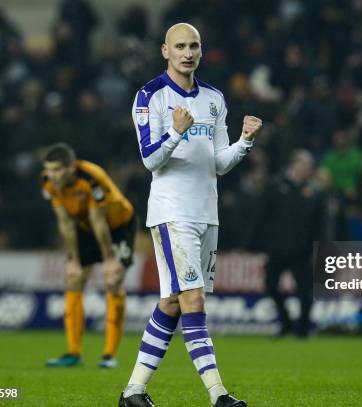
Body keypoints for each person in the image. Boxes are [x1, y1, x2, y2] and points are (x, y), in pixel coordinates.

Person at [120, 23, 261, 407]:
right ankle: (219, 395)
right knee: (193, 299)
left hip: (206, 213)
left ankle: (133, 392)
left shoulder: (214, 99)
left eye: (194, 45)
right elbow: (150, 159)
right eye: (179, 46)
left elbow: (218, 163)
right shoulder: (150, 96)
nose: (187, 52)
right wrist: (176, 132)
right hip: (171, 213)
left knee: (172, 302)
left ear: (201, 51)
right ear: (165, 51)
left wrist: (244, 143)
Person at [41, 142, 136, 368]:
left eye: (57, 170)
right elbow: (64, 221)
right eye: (49, 169)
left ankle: (109, 355)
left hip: (117, 225)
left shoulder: (92, 177)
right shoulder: (48, 182)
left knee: (113, 279)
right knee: (73, 277)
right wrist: (74, 260)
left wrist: (110, 259)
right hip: (84, 226)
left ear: (71, 168)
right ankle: (73, 353)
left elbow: (99, 220)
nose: (52, 175)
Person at [261, 150, 325, 338]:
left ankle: (303, 329)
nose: (307, 170)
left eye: (309, 167)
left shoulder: (314, 192)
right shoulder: (276, 186)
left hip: (302, 251)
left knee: (305, 292)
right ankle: (286, 322)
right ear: (294, 164)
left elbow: (320, 223)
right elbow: (264, 216)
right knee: (270, 285)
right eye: (304, 165)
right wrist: (263, 241)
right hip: (278, 248)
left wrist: (319, 246)